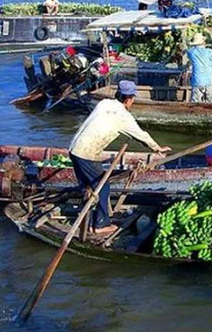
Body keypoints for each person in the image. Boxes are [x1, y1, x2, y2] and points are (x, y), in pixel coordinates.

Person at [68, 80, 171, 236]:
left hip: (74, 148)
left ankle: (87, 221)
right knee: (103, 186)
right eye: (133, 99)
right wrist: (157, 148)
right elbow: (141, 135)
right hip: (86, 153)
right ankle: (100, 224)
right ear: (128, 99)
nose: (133, 102)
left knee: (88, 188)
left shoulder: (104, 103)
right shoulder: (123, 116)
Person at [186, 33, 212, 102]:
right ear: (203, 42)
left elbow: (188, 51)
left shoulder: (191, 52)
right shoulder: (209, 51)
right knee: (211, 102)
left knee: (195, 103)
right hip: (208, 81)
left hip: (197, 81)